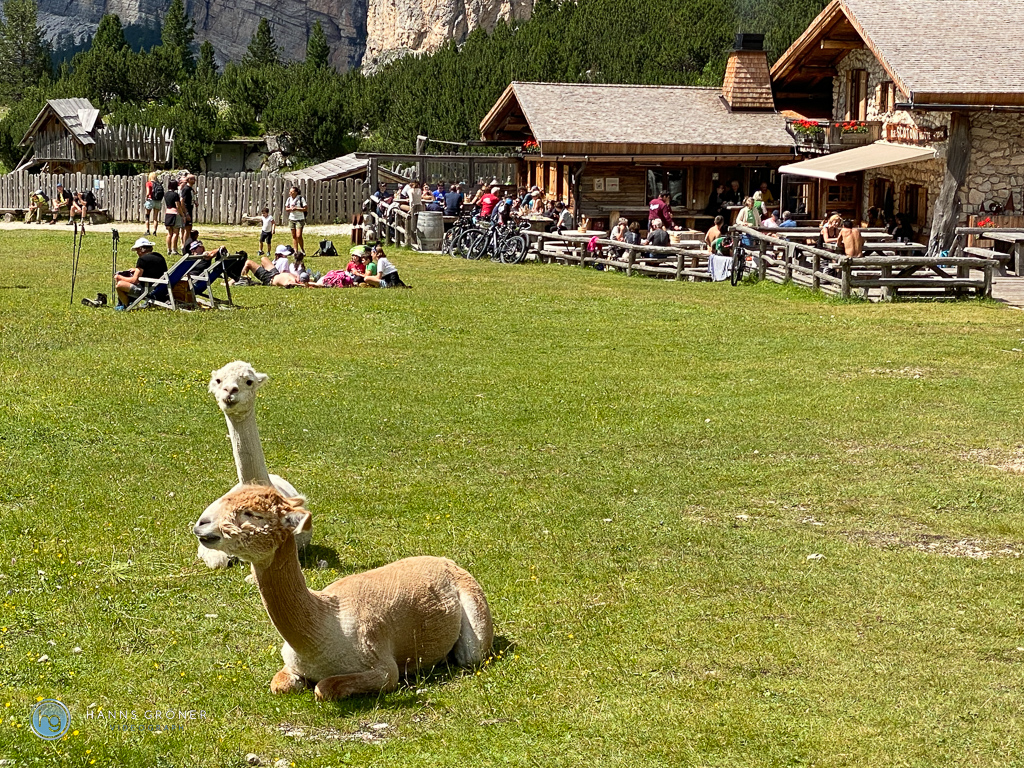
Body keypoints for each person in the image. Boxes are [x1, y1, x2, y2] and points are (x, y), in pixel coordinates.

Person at [114, 237, 168, 309]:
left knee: (120, 285)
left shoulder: (142, 260)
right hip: (160, 287)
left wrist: (119, 277)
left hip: (147, 289)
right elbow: (152, 269)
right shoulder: (159, 256)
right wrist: (136, 270)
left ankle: (126, 306)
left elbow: (135, 280)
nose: (137, 253)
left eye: (137, 251)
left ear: (141, 249)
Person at [163, 178, 185, 255]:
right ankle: (174, 250)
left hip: (168, 213)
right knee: (176, 233)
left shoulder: (166, 194)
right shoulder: (175, 194)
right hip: (175, 214)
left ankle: (168, 249)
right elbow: (178, 206)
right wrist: (182, 215)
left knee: (169, 233)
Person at [285, 186, 307, 256]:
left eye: (292, 192)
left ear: (296, 192)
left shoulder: (301, 198)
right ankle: (295, 251)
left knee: (299, 235)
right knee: (294, 236)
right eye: (290, 192)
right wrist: (290, 209)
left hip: (300, 219)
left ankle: (302, 250)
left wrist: (297, 208)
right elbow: (286, 208)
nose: (290, 193)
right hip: (292, 219)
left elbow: (305, 209)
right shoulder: (289, 199)